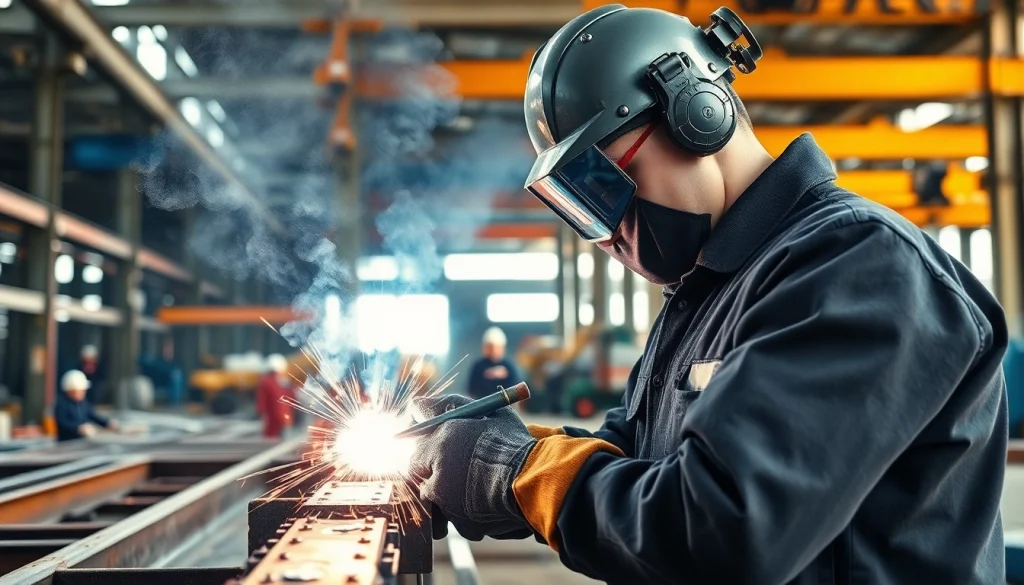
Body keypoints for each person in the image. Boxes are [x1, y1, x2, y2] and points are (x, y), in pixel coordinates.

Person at [410, 6, 1008, 585]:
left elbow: (725, 530)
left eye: (603, 186)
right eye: (578, 205)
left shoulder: (860, 267)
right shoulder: (708, 291)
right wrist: (496, 448)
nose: (606, 232)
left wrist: (514, 473)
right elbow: (639, 458)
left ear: (695, 113)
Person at [55, 370, 117, 442]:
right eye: (80, 391)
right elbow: (63, 423)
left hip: (81, 441)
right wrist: (78, 428)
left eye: (83, 391)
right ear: (70, 391)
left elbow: (92, 415)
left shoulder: (83, 404)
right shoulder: (62, 404)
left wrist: (107, 423)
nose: (82, 393)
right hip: (66, 443)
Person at [466, 327, 521, 399]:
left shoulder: (509, 366)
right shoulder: (478, 366)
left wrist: (506, 375)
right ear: (485, 347)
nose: (493, 350)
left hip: (506, 405)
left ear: (502, 347)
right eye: (490, 347)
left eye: (496, 347)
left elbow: (517, 388)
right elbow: (471, 390)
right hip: (482, 405)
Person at [256, 354, 294, 439]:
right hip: (282, 417)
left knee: (272, 438)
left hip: (274, 418)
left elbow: (262, 401)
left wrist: (262, 413)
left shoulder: (266, 382)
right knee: (281, 438)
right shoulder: (281, 382)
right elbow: (291, 398)